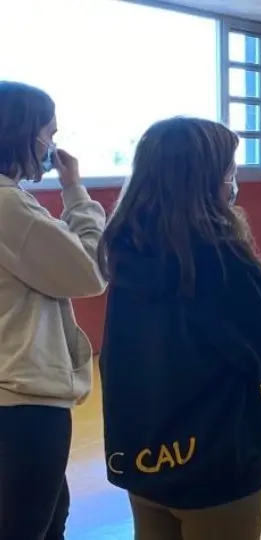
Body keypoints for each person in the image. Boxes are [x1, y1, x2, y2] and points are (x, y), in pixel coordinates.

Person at [97, 117, 261, 540]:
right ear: (204, 180)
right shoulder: (221, 260)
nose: (233, 183)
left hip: (143, 457)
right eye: (229, 171)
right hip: (215, 463)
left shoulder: (127, 251)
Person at [0, 81, 107, 539]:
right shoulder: (8, 205)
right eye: (49, 133)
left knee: (49, 516)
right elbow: (89, 271)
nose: (52, 146)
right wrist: (77, 194)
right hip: (20, 402)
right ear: (20, 133)